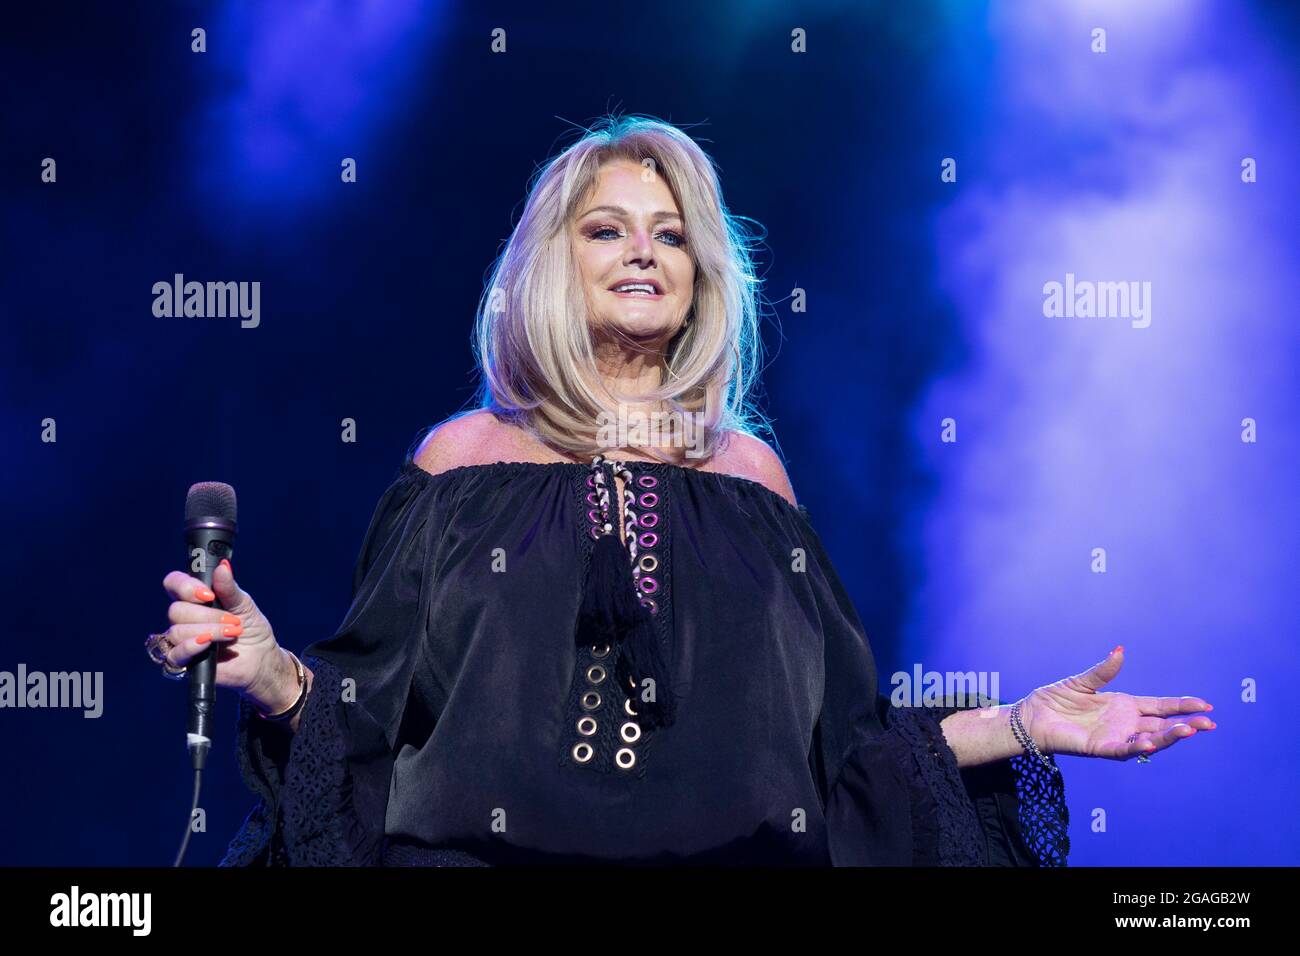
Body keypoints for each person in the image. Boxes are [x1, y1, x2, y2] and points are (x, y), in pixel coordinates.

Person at [150, 115, 1215, 866]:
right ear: (551, 265)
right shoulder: (463, 459)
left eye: (669, 234)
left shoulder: (749, 475)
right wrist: (269, 667)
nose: (643, 253)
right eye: (606, 228)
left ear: (704, 272)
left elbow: (842, 748)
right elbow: (369, 715)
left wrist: (1023, 722)